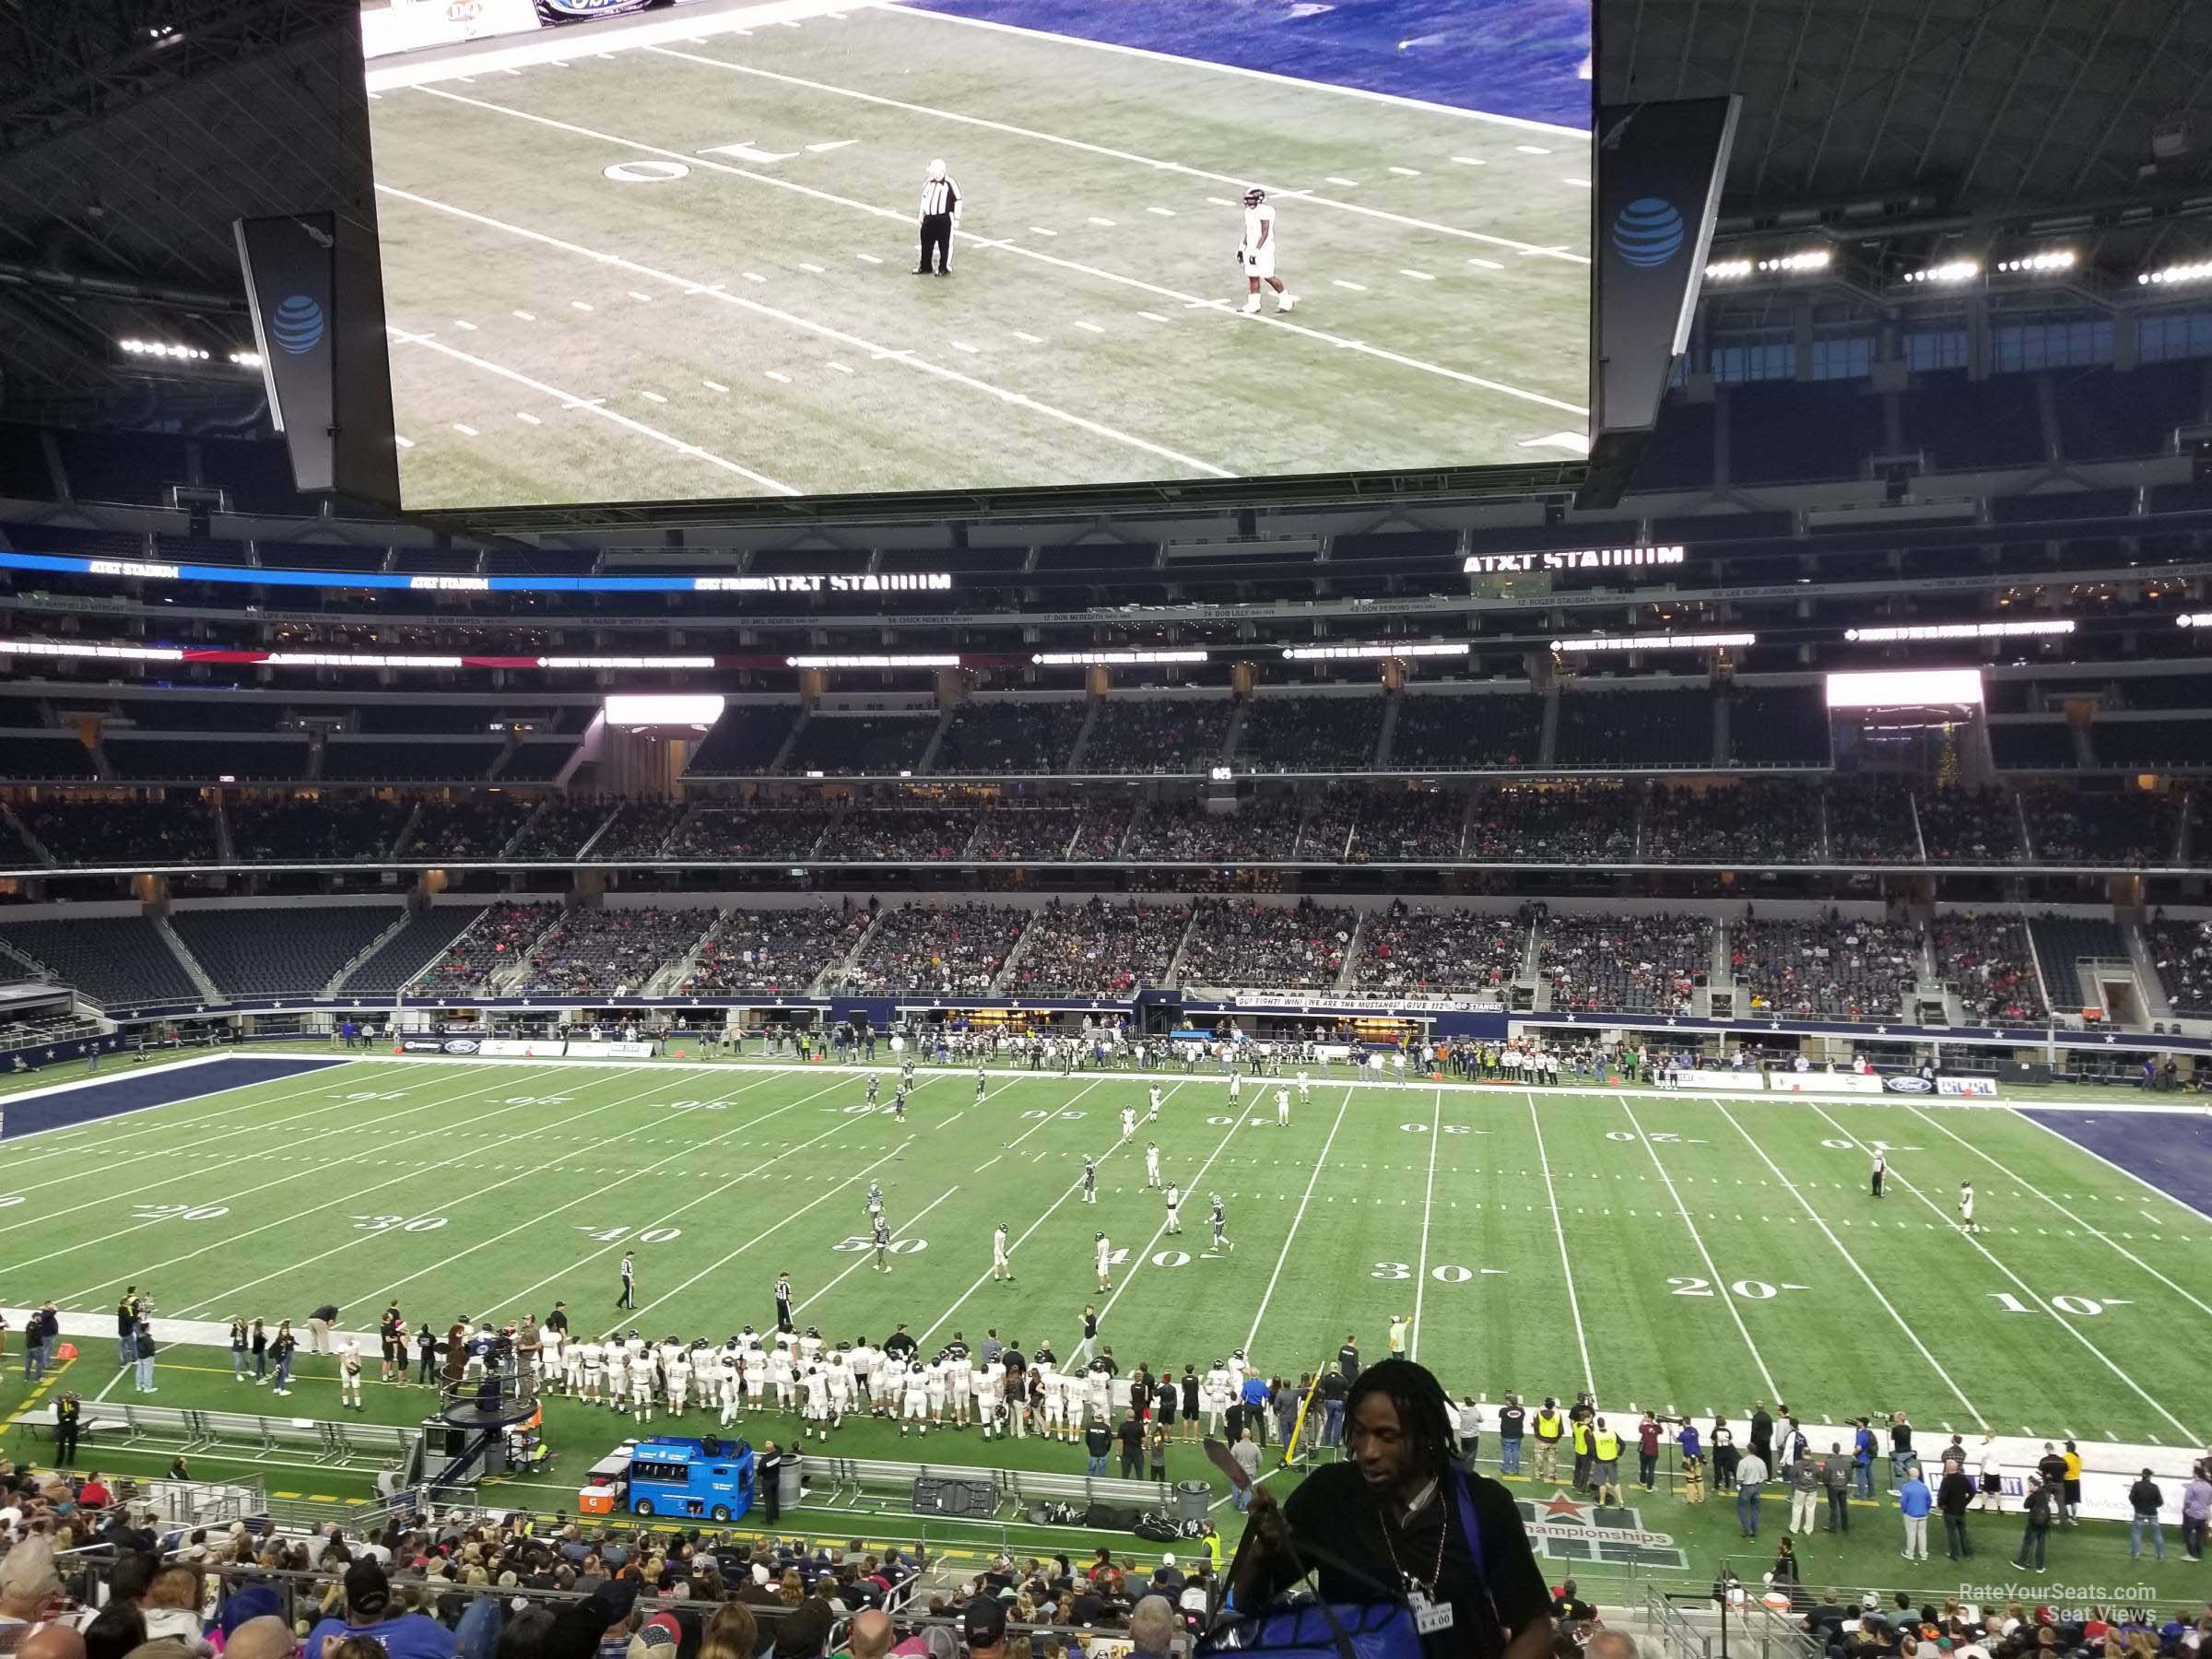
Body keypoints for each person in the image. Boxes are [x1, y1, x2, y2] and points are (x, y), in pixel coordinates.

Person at [1227, 1359, 1554, 1659]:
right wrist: (1263, 1551)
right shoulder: (1329, 1493)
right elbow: (1247, 1601)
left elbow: (1536, 1626)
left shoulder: (1484, 1504)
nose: (1367, 1451)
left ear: (1425, 1436)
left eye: (1387, 1436)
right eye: (1359, 1432)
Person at [303, 1559, 456, 1659]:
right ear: (388, 1600)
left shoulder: (325, 1632)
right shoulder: (422, 1626)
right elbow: (460, 1647)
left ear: (347, 1603)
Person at [1236, 187, 1295, 315]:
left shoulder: (1266, 211)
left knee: (1267, 275)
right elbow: (1249, 231)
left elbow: (1265, 232)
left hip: (1264, 249)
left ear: (1259, 200)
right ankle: (1254, 304)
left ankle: (1286, 299)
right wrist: (1242, 247)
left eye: (1251, 200)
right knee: (1252, 275)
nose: (1248, 202)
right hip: (1251, 247)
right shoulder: (1248, 212)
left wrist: (1257, 250)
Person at [2011, 1475, 2053, 1572]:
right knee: (2041, 1545)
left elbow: (2026, 1506)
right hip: (2044, 1524)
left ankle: (2021, 1563)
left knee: (2027, 1543)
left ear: (2036, 1487)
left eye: (2030, 1485)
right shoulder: (2045, 1494)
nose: (2029, 1487)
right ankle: (2040, 1567)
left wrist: (2029, 1494)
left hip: (2033, 1523)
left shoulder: (2033, 1496)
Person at [1936, 1457, 1974, 1558]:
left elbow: (1942, 1496)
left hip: (1950, 1511)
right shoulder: (1963, 1478)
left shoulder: (1946, 1480)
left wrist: (1941, 1505)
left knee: (1952, 1532)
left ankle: (1954, 1554)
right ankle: (1967, 1553)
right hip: (1961, 1511)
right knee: (1963, 1532)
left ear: (1947, 1468)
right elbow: (1972, 1491)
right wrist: (1965, 1502)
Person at [2127, 1467, 2165, 1561]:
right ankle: (2161, 1555)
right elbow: (2160, 1502)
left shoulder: (2136, 1485)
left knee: (2137, 1533)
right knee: (2157, 1534)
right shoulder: (2155, 1487)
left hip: (2139, 1512)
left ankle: (2135, 1554)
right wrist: (2153, 1506)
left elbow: (2131, 1498)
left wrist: (2136, 1506)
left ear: (2142, 1475)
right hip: (2152, 1513)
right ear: (2150, 1476)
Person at [1899, 1464, 1932, 1562]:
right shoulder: (1924, 1487)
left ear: (1909, 1475)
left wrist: (1904, 1511)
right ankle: (1924, 1553)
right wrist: (1926, 1510)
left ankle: (1910, 1553)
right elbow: (1929, 1500)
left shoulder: (1906, 1487)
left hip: (1911, 1514)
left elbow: (1903, 1502)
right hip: (1923, 1514)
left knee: (1911, 1534)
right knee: (1922, 1534)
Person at [1733, 1447, 1767, 1538]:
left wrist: (1739, 1485)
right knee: (1755, 1509)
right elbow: (1764, 1476)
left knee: (1742, 1508)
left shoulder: (1743, 1462)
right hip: (1757, 1486)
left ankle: (1747, 1530)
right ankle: (1755, 1530)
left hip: (1747, 1487)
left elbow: (1739, 1478)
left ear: (1747, 1450)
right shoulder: (1760, 1461)